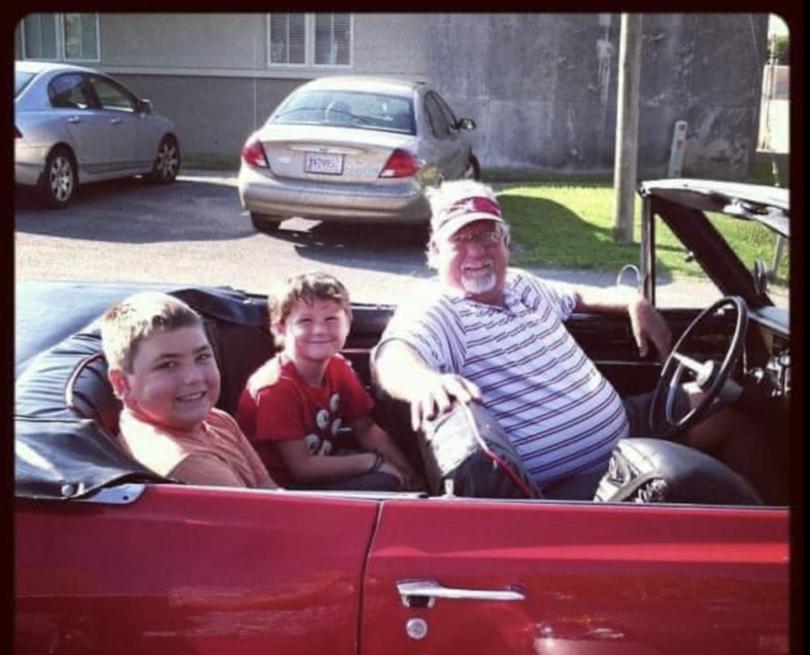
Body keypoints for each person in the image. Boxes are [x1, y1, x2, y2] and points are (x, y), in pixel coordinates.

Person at [372, 179, 772, 500]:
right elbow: (394, 354)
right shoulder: (440, 307)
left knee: (722, 412)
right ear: (435, 252)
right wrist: (424, 382)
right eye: (461, 240)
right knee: (698, 482)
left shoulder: (520, 285)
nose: (477, 251)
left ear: (506, 243)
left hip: (625, 426)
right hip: (582, 481)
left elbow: (580, 296)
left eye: (488, 236)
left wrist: (632, 301)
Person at [237, 272, 419, 491]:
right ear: (280, 330)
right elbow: (302, 469)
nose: (320, 330)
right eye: (305, 321)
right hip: (280, 489)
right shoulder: (275, 388)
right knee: (386, 482)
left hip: (319, 465)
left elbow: (366, 429)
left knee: (400, 471)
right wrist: (373, 462)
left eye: (331, 319)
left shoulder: (337, 366)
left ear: (348, 325)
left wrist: (412, 475)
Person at [100, 291, 277, 489]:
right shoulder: (187, 463)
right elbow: (262, 517)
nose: (193, 377)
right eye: (168, 365)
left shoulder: (216, 419)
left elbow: (269, 489)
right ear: (122, 384)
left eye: (201, 357)